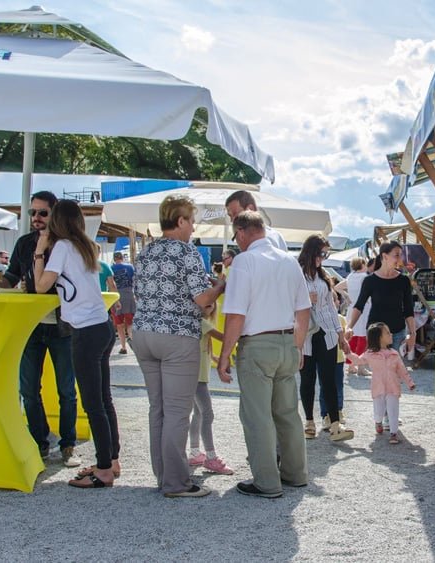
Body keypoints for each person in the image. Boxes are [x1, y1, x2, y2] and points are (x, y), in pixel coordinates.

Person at [131, 194, 227, 498]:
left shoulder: (145, 254)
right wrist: (221, 285)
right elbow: (202, 299)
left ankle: (163, 476)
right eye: (192, 220)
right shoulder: (186, 253)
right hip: (176, 336)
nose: (193, 227)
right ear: (181, 220)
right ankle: (176, 482)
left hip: (144, 333)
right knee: (176, 411)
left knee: (157, 409)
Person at [0, 190, 80, 466]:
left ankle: (68, 444)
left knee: (66, 390)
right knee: (28, 390)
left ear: (54, 212)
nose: (36, 218)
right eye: (32, 213)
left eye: (42, 213)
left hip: (63, 326)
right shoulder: (24, 243)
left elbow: (54, 285)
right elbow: (11, 278)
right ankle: (39, 441)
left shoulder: (67, 244)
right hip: (31, 327)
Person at [217, 210, 310, 499]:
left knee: (257, 416)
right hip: (286, 342)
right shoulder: (288, 260)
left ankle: (267, 482)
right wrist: (298, 345)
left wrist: (224, 357)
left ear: (242, 231)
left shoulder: (244, 262)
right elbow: (304, 309)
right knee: (288, 414)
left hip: (257, 345)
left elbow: (236, 316)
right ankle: (296, 474)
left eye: (236, 236)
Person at [32, 199, 119, 489]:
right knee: (103, 400)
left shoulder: (63, 248)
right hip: (102, 326)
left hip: (85, 331)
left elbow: (41, 285)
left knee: (94, 403)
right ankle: (111, 460)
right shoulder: (85, 247)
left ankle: (104, 469)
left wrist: (39, 250)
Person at [297, 234, 352, 441]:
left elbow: (330, 307)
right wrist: (303, 299)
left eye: (326, 253)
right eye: (322, 253)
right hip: (306, 334)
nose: (323, 257)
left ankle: (335, 423)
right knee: (307, 379)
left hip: (327, 332)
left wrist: (340, 335)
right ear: (311, 251)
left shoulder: (323, 277)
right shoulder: (297, 273)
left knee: (329, 379)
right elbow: (288, 302)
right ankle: (309, 421)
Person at [346, 322, 416, 445]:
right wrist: (347, 353)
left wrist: (409, 382)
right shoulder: (369, 354)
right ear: (379, 338)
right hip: (378, 388)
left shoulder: (394, 354)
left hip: (393, 388)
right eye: (388, 333)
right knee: (379, 411)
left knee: (393, 411)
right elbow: (358, 360)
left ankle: (394, 433)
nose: (391, 334)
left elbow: (402, 370)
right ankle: (378, 422)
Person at [187, 303, 234, 475]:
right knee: (207, 413)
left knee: (198, 414)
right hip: (198, 377)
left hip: (194, 375)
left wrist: (214, 357)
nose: (211, 307)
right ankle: (211, 456)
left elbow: (205, 346)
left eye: (211, 304)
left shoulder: (197, 322)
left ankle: (194, 452)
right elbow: (222, 337)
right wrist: (238, 333)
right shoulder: (202, 322)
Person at [348, 241, 415, 356]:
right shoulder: (370, 281)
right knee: (380, 370)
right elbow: (359, 306)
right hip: (376, 333)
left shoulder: (403, 280)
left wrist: (413, 334)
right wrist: (349, 327)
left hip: (398, 332)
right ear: (384, 256)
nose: (400, 259)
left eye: (400, 255)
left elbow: (409, 310)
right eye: (397, 255)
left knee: (396, 370)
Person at [335, 256, 371, 376]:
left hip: (352, 309)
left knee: (353, 337)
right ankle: (359, 366)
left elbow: (336, 287)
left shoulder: (350, 277)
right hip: (363, 309)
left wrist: (345, 295)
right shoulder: (365, 277)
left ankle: (351, 364)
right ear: (362, 264)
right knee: (363, 338)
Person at [111, 251, 135, 355]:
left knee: (119, 324)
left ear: (114, 259)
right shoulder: (130, 267)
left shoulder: (111, 268)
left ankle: (123, 347)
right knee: (130, 322)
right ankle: (133, 342)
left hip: (116, 297)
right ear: (122, 258)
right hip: (129, 295)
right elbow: (135, 280)